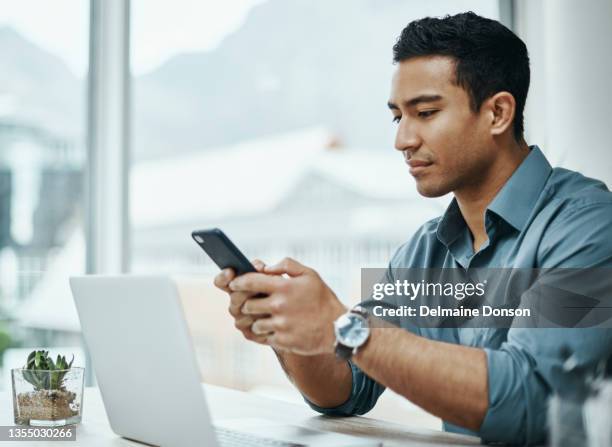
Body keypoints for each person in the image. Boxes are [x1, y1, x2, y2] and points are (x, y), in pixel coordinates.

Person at [214, 12, 612, 444]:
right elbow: (346, 389)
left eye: (424, 112)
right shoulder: (425, 250)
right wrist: (289, 328)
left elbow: (539, 401)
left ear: (497, 113)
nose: (402, 140)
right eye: (396, 118)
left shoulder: (589, 225)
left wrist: (346, 329)